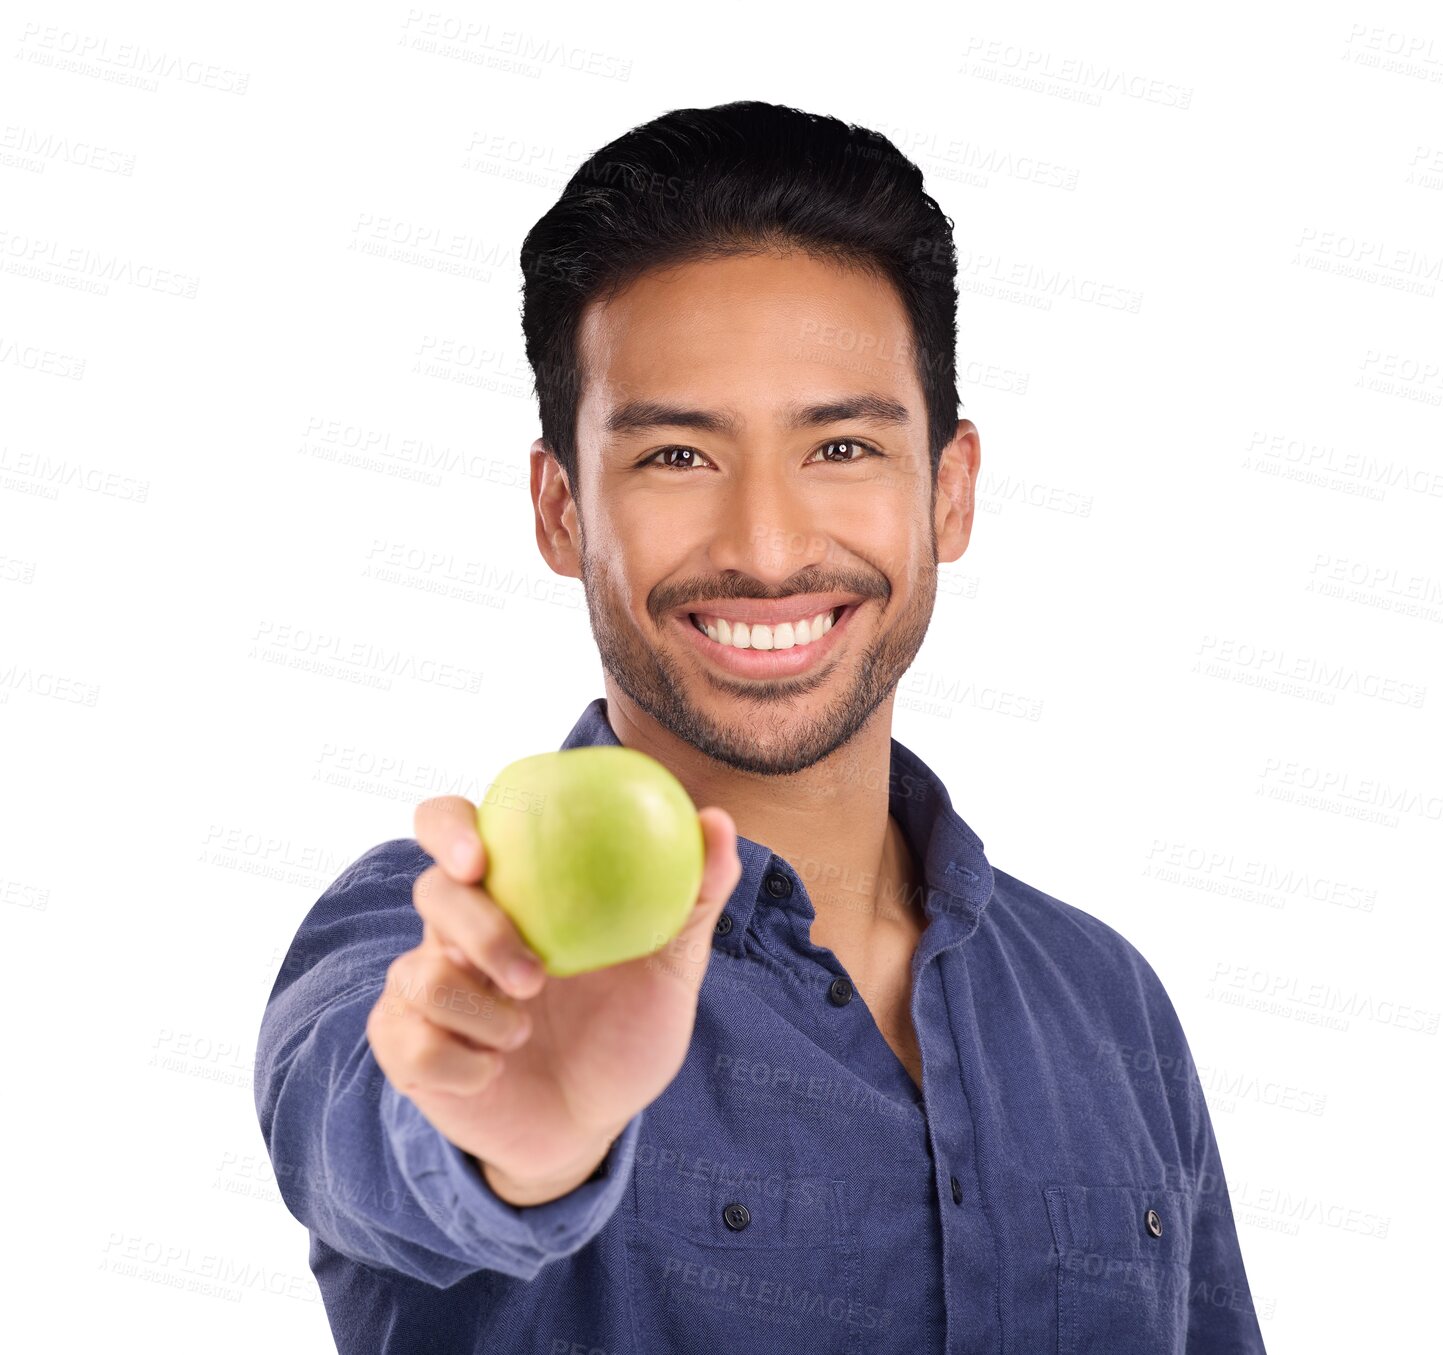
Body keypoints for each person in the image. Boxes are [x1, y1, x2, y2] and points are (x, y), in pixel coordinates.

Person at [254, 100, 1267, 1353]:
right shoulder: (438, 937)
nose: (767, 547)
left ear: (946, 491)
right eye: (676, 457)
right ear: (560, 509)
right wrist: (514, 1144)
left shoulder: (1106, 1002)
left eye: (839, 444)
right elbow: (370, 1119)